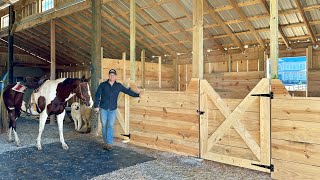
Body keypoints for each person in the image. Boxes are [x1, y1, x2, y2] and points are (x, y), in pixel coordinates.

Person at [94, 69, 141, 150]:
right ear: (108, 76)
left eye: (113, 75)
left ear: (115, 77)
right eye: (110, 75)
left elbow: (127, 91)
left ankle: (109, 143)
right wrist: (96, 106)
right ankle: (106, 142)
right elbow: (97, 95)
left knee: (110, 125)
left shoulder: (118, 86)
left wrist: (137, 95)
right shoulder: (102, 85)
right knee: (104, 125)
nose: (112, 76)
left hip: (113, 109)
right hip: (103, 108)